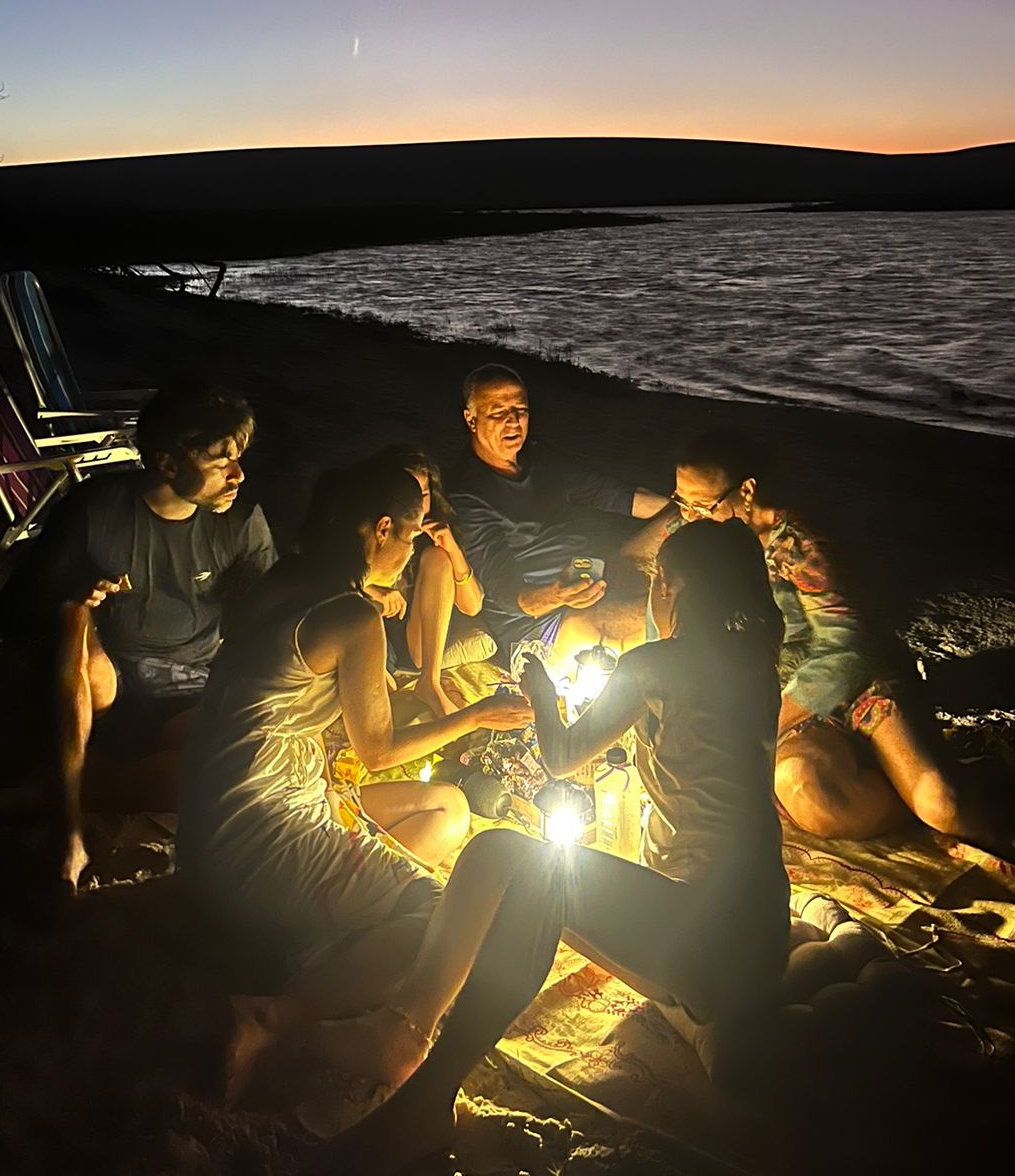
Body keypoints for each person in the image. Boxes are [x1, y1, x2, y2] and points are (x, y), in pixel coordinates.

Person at [314, 518, 790, 1174]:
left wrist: (540, 691)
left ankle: (414, 1050)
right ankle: (707, 1021)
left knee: (503, 858)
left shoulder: (656, 665)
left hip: (705, 939)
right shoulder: (760, 668)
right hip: (761, 936)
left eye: (656, 582)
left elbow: (563, 756)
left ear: (677, 592)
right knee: (548, 887)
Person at [177, 456, 534, 1003]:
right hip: (259, 831)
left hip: (206, 821)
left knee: (446, 807)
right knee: (438, 918)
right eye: (413, 536)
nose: (414, 551)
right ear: (384, 528)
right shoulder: (352, 617)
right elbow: (379, 751)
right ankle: (281, 1019)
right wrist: (478, 713)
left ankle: (322, 920)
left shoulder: (285, 578)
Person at [673, 428, 983, 842]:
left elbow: (848, 648)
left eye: (703, 505)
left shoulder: (798, 547)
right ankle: (882, 795)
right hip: (789, 697)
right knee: (807, 791)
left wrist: (771, 718)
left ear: (746, 490)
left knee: (941, 806)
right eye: (682, 503)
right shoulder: (705, 537)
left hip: (857, 683)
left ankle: (920, 795)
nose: (690, 517)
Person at [0, 382, 276, 813]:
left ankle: (92, 784)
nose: (238, 475)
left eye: (238, 459)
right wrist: (72, 589)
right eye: (221, 462)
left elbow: (265, 618)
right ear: (166, 461)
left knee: (218, 771)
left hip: (189, 682)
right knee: (73, 619)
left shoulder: (238, 521)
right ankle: (84, 782)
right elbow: (12, 614)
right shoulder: (98, 508)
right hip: (102, 680)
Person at [446, 364, 677, 675]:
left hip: (591, 581)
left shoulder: (540, 459)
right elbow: (505, 591)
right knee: (675, 614)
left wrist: (691, 506)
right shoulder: (467, 494)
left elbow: (613, 494)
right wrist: (557, 595)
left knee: (681, 518)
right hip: (539, 628)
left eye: (520, 409)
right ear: (470, 419)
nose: (513, 420)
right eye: (498, 411)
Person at [365, 446, 487, 718]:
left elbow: (473, 606)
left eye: (424, 495)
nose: (418, 506)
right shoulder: (375, 529)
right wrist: (376, 591)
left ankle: (429, 684)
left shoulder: (436, 536)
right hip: (379, 636)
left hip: (419, 646)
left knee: (438, 557)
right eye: (409, 497)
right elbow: (336, 579)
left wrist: (452, 548)